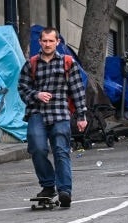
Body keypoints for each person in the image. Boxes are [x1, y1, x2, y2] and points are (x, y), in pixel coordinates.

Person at [17, 27, 88, 208]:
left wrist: (81, 116)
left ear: (58, 42)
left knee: (61, 151)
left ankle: (65, 190)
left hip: (60, 113)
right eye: (44, 41)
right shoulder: (31, 64)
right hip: (37, 113)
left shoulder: (67, 62)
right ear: (39, 42)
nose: (47, 44)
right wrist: (36, 95)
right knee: (37, 149)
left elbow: (77, 90)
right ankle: (48, 186)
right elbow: (22, 88)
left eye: (51, 41)